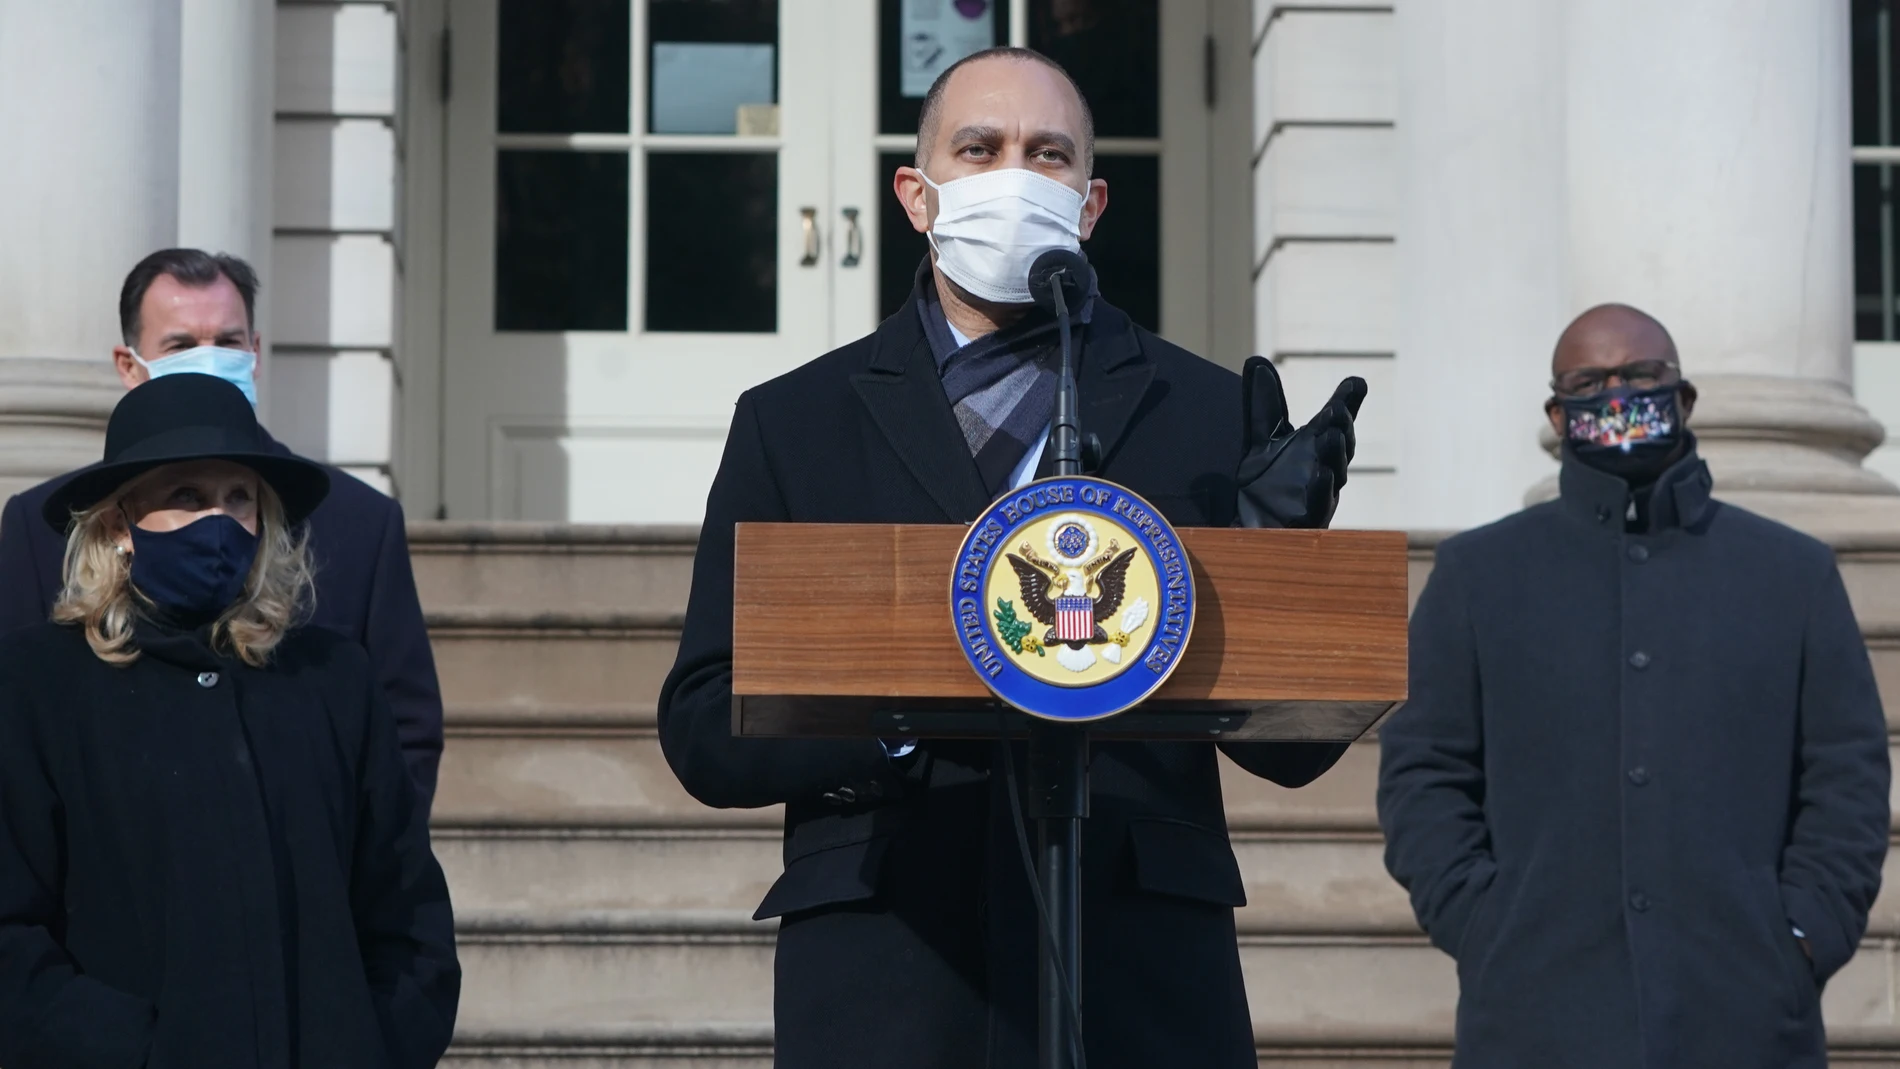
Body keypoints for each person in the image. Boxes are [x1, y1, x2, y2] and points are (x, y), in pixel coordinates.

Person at [659, 47, 1366, 1069]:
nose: (1012, 177)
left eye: (1047, 156)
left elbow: (1292, 753)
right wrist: (894, 712)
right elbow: (704, 725)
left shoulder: (1204, 410)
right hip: (896, 969)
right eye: (978, 149)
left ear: (1088, 204)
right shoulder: (795, 423)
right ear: (916, 194)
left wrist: (1279, 576)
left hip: (1137, 979)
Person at [1376, 304, 1891, 1068]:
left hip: (1744, 1017)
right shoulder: (1476, 577)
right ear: (1557, 412)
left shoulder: (1792, 574)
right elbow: (1423, 771)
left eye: (1641, 375)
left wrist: (1803, 936)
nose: (1617, 394)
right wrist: (1483, 923)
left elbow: (1846, 775)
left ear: (1683, 397)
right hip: (1534, 1014)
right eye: (1591, 380)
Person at [0, 373, 459, 1067]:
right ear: (120, 523)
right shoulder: (40, 684)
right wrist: (139, 1051)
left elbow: (407, 913)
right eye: (186, 495)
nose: (219, 520)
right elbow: (13, 938)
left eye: (239, 497)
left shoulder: (331, 679)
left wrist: (373, 1044)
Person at [0, 248, 445, 813]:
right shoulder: (45, 525)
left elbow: (404, 731)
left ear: (254, 353)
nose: (208, 360)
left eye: (228, 342)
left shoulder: (360, 522)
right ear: (129, 364)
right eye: (182, 345)